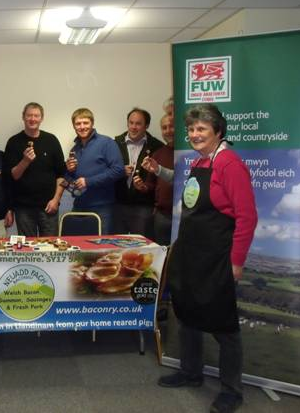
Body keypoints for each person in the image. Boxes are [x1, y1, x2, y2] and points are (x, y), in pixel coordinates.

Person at [157, 105, 257, 413]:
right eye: (191, 129)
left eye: (201, 129)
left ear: (218, 131)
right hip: (191, 254)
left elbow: (247, 217)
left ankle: (231, 390)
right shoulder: (200, 162)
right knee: (187, 313)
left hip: (216, 258)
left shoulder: (230, 164)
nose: (194, 134)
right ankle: (191, 372)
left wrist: (236, 262)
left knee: (224, 325)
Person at [3, 102, 66, 236]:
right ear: (23, 117)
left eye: (36, 115)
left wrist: (56, 200)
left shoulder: (51, 140)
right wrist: (25, 161)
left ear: (41, 118)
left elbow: (62, 174)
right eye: (29, 115)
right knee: (27, 250)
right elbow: (13, 176)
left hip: (49, 206)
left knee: (50, 248)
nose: (32, 119)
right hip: (23, 208)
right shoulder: (14, 142)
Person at [64, 108, 124, 235]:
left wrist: (88, 181)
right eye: (78, 123)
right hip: (79, 206)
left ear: (92, 123)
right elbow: (70, 179)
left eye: (85, 123)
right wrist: (69, 171)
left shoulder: (106, 142)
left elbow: (118, 170)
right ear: (73, 126)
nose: (82, 127)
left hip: (102, 208)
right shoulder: (75, 148)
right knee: (77, 247)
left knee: (100, 249)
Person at [114, 107, 164, 237]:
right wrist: (120, 171)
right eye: (131, 123)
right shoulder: (115, 143)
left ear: (146, 125)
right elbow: (107, 171)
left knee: (143, 249)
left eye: (138, 123)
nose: (134, 127)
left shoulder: (157, 146)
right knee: (117, 248)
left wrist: (144, 186)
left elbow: (160, 179)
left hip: (144, 207)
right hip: (119, 204)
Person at [137, 114, 175, 245]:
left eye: (171, 126)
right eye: (164, 128)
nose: (168, 130)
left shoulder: (188, 152)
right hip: (162, 216)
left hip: (183, 217)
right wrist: (143, 187)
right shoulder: (158, 153)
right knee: (162, 256)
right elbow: (151, 184)